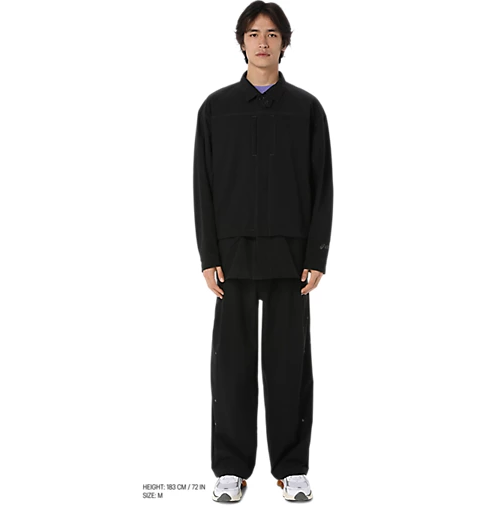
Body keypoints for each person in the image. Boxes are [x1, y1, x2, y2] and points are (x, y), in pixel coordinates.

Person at [193, 1, 333, 502]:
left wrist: (316, 255)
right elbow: (203, 185)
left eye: (272, 33)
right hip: (231, 257)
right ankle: (231, 470)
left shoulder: (307, 109)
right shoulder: (216, 108)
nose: (263, 42)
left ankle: (292, 469)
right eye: (253, 33)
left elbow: (322, 185)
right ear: (241, 42)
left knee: (289, 364)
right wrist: (208, 254)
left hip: (290, 258)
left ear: (285, 43)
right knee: (231, 365)